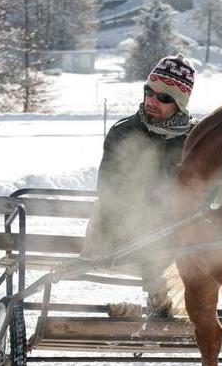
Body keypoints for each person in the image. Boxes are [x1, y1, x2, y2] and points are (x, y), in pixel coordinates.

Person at [83, 54, 196, 316]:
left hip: (177, 233)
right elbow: (110, 190)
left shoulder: (195, 138)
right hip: (122, 230)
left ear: (180, 103)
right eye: (149, 92)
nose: (152, 101)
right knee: (152, 226)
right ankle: (162, 301)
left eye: (164, 97)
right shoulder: (124, 132)